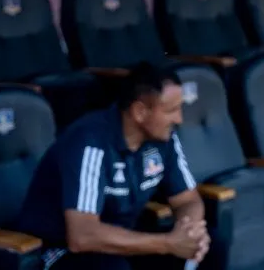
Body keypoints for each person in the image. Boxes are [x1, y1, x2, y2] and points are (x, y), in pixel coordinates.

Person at [17, 62, 210, 270]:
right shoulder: (89, 142)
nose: (179, 119)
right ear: (140, 112)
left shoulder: (165, 139)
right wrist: (168, 244)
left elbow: (187, 199)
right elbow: (82, 235)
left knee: (208, 247)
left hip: (122, 243)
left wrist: (189, 235)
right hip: (62, 252)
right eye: (171, 110)